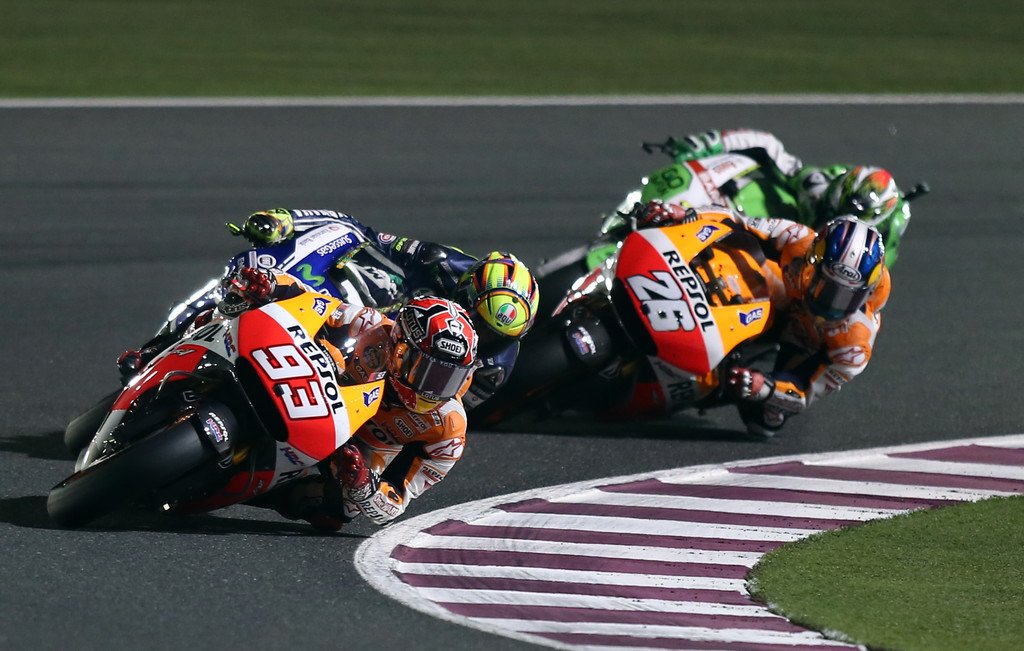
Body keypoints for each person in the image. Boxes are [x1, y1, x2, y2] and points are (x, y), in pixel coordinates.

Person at [120, 208, 539, 410]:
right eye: (479, 319)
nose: (482, 333)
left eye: (496, 334)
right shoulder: (444, 262)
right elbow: (365, 234)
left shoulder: (494, 367)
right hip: (372, 314)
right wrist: (289, 224)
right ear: (468, 287)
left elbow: (445, 410)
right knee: (267, 274)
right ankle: (165, 341)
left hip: (388, 380)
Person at [219, 265, 479, 531]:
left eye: (450, 377)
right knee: (241, 308)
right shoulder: (370, 325)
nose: (434, 388)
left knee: (341, 510)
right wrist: (272, 283)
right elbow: (313, 302)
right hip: (313, 392)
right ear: (401, 349)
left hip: (353, 451)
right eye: (428, 372)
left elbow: (396, 502)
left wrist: (364, 485)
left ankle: (239, 489)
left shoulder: (448, 431)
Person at [635, 200, 890, 436]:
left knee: (764, 421)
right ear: (812, 261)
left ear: (866, 292)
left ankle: (709, 381)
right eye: (825, 285)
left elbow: (805, 392)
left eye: (846, 296)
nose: (830, 302)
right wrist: (688, 214)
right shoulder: (797, 238)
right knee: (724, 246)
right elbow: (736, 220)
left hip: (805, 341)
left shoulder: (855, 345)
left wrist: (765, 387)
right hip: (782, 294)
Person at [663, 128, 914, 268]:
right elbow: (768, 145)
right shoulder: (816, 186)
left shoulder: (876, 251)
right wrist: (710, 143)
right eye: (831, 209)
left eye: (838, 215)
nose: (830, 217)